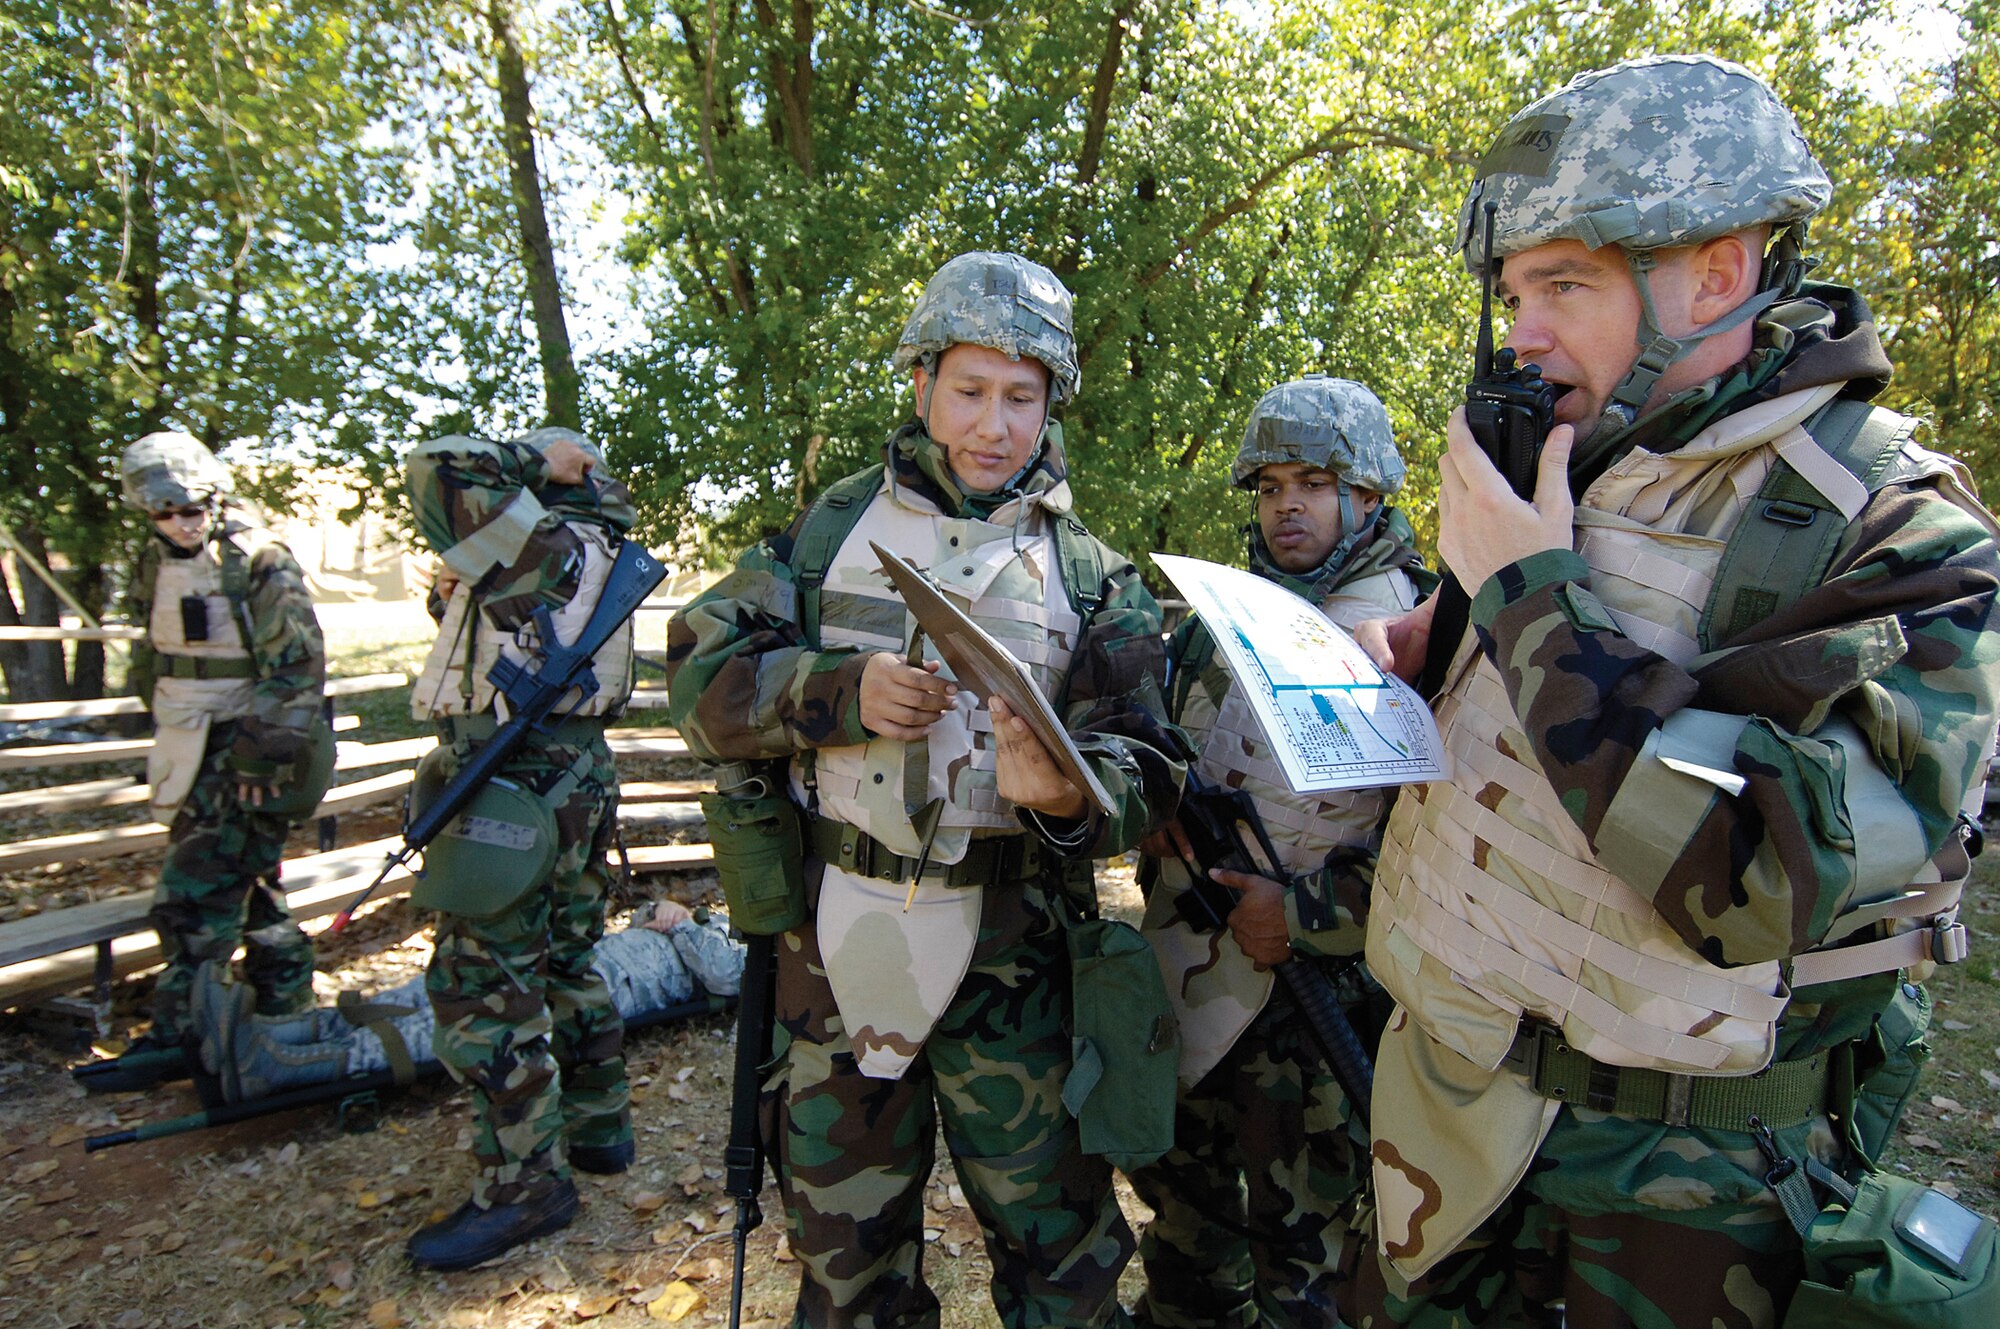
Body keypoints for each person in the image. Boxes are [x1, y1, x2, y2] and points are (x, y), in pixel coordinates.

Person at [1347, 55, 2000, 1327]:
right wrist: (1444, 648)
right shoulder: (1568, 457)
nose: (1522, 330)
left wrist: (1530, 603)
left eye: (1565, 284)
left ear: (1716, 272)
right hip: (1441, 1122)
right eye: (1512, 290)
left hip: (1676, 1195)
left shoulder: (1901, 534)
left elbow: (1760, 876)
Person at [666, 250, 1188, 1328]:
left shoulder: (1090, 573)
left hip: (1023, 956)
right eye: (968, 390)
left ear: (1050, 408)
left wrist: (1067, 793)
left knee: (1063, 1258)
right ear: (918, 385)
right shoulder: (825, 535)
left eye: (1019, 397)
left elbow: (1152, 758)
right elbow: (697, 676)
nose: (992, 425)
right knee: (844, 1258)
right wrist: (832, 689)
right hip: (837, 949)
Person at [1129, 376, 1431, 1329]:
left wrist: (1298, 914)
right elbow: (1165, 750)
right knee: (1186, 1243)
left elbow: (1444, 843)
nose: (1285, 505)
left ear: (1369, 496)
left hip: (1324, 1001)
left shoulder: (1425, 632)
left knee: (1313, 1270)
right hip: (1193, 980)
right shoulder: (1219, 621)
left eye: (1311, 481)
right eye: (1268, 487)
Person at [399, 426, 641, 1271]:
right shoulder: (593, 544)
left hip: (514, 780)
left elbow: (432, 465)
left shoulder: (538, 529)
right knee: (567, 957)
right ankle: (600, 1129)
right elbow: (506, 633)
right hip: (575, 772)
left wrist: (533, 456)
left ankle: (523, 1184)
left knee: (483, 981)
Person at [102, 430, 328, 1090]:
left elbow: (297, 667)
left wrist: (261, 759)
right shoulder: (157, 559)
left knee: (193, 894)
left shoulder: (258, 560)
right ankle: (284, 1011)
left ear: (214, 496)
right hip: (186, 741)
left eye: (191, 509)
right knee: (257, 888)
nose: (180, 523)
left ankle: (182, 1030)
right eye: (163, 513)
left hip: (244, 747)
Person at [190, 902, 744, 1101]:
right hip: (569, 963)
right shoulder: (728, 922)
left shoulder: (761, 956)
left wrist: (681, 926)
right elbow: (658, 914)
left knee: (449, 1027)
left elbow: (722, 976)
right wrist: (664, 910)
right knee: (433, 990)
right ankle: (278, 1033)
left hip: (597, 992)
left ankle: (271, 1068)